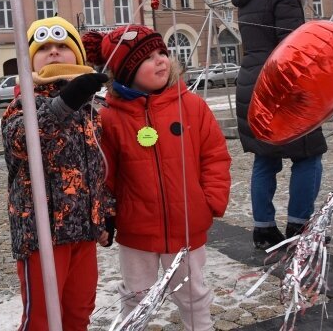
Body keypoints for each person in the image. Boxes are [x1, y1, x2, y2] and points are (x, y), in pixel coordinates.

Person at [91, 24, 231, 331]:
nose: (161, 61)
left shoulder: (191, 105)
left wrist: (209, 202)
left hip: (186, 225)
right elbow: (104, 174)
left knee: (193, 293)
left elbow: (215, 156)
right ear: (126, 71)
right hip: (137, 228)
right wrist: (108, 215)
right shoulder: (110, 118)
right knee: (136, 296)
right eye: (148, 57)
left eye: (162, 53)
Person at [2, 16, 114, 331]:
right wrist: (64, 103)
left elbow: (96, 167)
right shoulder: (23, 103)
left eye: (63, 45)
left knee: (79, 312)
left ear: (78, 55)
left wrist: (105, 213)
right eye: (44, 47)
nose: (54, 51)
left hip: (84, 233)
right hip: (42, 237)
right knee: (42, 319)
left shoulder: (92, 110)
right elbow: (21, 141)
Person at [230, 0, 328, 249]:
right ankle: (300, 227)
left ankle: (263, 229)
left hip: (252, 79)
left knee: (265, 158)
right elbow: (293, 45)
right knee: (309, 156)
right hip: (281, 81)